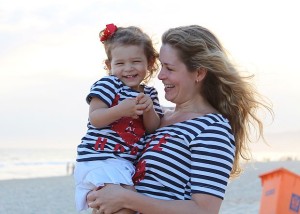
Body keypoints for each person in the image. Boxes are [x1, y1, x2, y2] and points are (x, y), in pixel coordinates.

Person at [87, 25, 273, 214]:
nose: (160, 76)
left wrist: (126, 198)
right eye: (161, 66)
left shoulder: (212, 129)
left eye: (169, 68)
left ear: (199, 73)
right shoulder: (154, 117)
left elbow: (205, 211)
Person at [74, 23, 164, 213]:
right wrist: (120, 110)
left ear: (150, 63)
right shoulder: (108, 85)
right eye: (120, 63)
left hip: (124, 163)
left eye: (136, 62)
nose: (128, 69)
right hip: (99, 159)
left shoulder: (150, 94)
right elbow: (95, 118)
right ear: (109, 65)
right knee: (127, 204)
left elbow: (152, 128)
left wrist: (148, 110)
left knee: (127, 204)